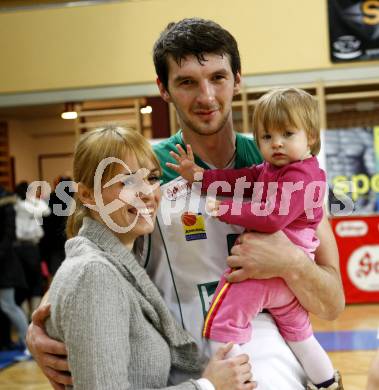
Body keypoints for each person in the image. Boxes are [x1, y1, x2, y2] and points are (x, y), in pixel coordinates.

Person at [27, 18, 345, 390]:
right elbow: (90, 254)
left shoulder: (285, 168)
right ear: (164, 89)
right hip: (177, 368)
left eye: (218, 78)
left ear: (238, 79)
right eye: (187, 82)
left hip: (269, 365)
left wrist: (289, 262)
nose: (206, 96)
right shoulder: (144, 169)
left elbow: (332, 303)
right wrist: (43, 324)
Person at [45, 126, 254, 390]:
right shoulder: (94, 274)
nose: (147, 192)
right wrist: (207, 386)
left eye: (152, 178)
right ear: (87, 195)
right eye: (128, 182)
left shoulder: (114, 262)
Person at [167, 87, 343, 390]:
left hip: (268, 275)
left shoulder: (301, 176)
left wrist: (226, 209)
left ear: (311, 137)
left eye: (287, 134)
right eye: (267, 137)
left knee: (221, 323)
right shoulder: (273, 169)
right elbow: (237, 179)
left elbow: (272, 216)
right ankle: (326, 381)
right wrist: (199, 176)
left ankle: (238, 379)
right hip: (285, 284)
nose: (276, 143)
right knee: (299, 334)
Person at [0, 185, 30, 359]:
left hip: (6, 265)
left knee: (8, 305)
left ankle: (28, 343)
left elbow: (8, 235)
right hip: (5, 263)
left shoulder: (7, 205)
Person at [14, 181, 51, 318]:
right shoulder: (31, 205)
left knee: (22, 281)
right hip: (31, 248)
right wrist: (33, 200)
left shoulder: (15, 205)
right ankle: (33, 314)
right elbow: (46, 210)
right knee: (36, 280)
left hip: (17, 248)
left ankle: (25, 314)